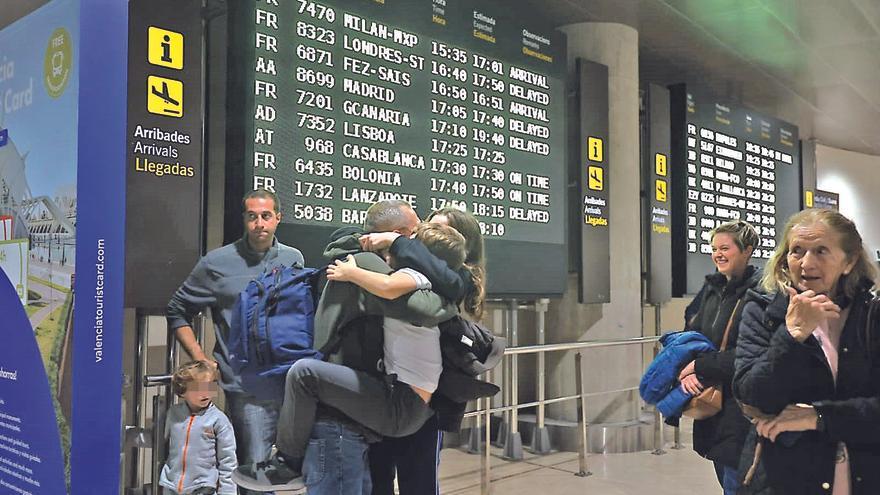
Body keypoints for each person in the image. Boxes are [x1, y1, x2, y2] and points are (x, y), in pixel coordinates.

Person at [232, 222, 467, 492]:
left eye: (410, 242)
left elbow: (390, 287)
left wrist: (352, 272)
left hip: (403, 406)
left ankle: (287, 463)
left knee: (304, 374)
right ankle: (287, 462)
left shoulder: (416, 280)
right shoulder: (425, 282)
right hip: (401, 401)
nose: (400, 244)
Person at [166, 189, 303, 495]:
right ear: (244, 219)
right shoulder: (217, 263)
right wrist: (202, 358)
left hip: (289, 380)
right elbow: (177, 310)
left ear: (278, 218)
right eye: (252, 216)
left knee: (284, 469)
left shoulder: (293, 259)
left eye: (266, 216)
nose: (259, 223)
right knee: (254, 469)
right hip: (246, 383)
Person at [734, 209, 880, 494]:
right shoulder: (763, 311)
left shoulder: (871, 316)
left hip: (863, 474)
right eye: (796, 250)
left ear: (848, 262)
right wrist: (792, 335)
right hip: (785, 478)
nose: (806, 263)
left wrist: (819, 417)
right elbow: (752, 396)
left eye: (821, 251)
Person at [359, 207, 486, 495]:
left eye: (436, 233)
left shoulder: (458, 278)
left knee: (418, 480)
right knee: (378, 477)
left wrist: (396, 243)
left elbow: (421, 303)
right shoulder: (411, 268)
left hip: (426, 401)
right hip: (387, 388)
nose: (421, 240)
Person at [679, 220, 762, 494]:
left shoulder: (761, 293)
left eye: (725, 248)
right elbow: (690, 334)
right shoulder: (712, 290)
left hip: (742, 412)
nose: (718, 254)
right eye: (714, 248)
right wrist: (689, 368)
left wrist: (700, 366)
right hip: (714, 410)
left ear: (747, 250)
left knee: (736, 483)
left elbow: (754, 352)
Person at [159, 360, 237, 495]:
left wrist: (228, 491)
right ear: (183, 391)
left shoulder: (218, 420)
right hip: (172, 484)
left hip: (203, 486)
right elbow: (159, 440)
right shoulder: (174, 414)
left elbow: (228, 459)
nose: (205, 393)